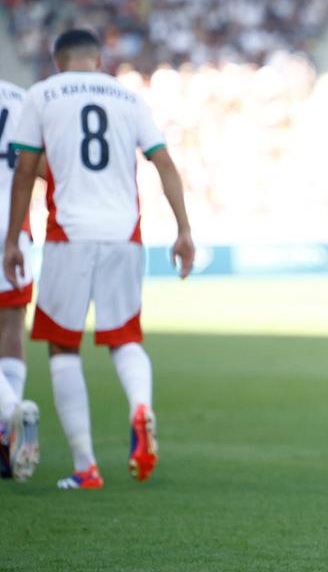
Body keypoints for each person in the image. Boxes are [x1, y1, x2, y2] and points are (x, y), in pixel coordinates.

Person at [3, 29, 196, 489]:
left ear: (57, 61)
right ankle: (141, 405)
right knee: (125, 337)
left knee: (63, 346)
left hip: (70, 232)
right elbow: (164, 163)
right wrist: (185, 230)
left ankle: (86, 466)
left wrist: (12, 238)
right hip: (125, 234)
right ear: (99, 59)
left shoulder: (44, 94)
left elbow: (27, 170)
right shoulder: (128, 97)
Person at [0, 78, 38, 483]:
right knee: (11, 328)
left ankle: (11, 409)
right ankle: (6, 440)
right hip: (14, 229)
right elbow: (42, 166)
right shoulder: (22, 98)